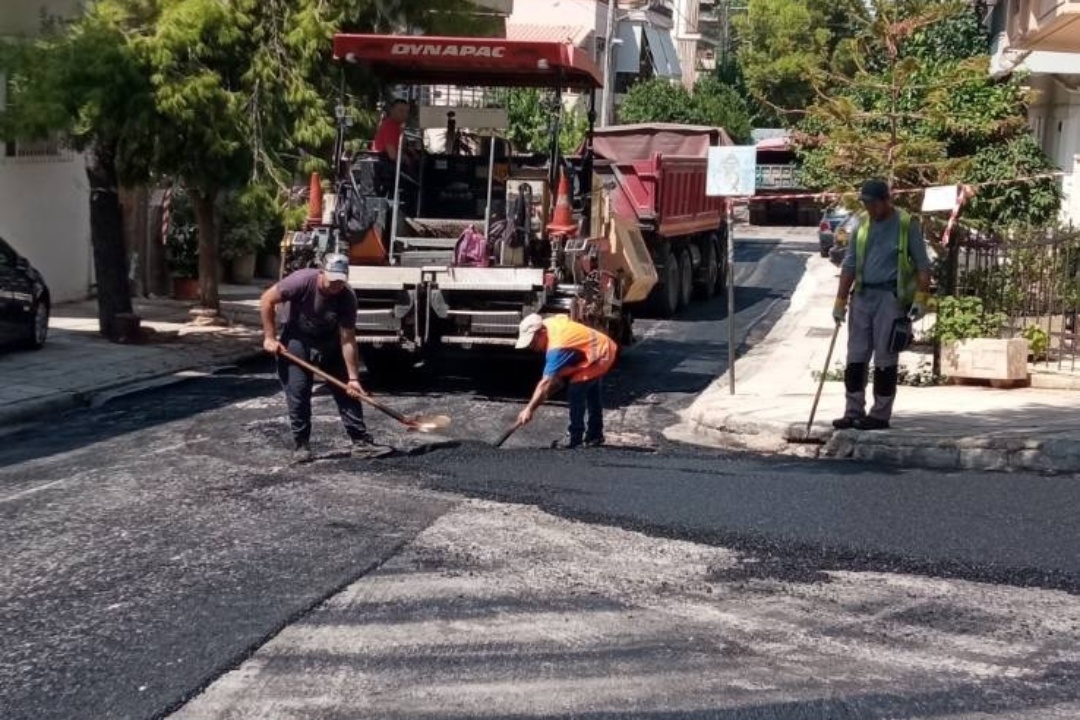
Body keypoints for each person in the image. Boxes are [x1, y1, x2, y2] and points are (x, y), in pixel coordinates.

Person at [260, 254, 392, 462]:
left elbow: (348, 339)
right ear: (322, 273)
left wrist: (354, 378)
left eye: (341, 281)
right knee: (298, 392)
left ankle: (361, 443)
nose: (336, 286)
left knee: (347, 391)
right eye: (332, 280)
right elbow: (267, 299)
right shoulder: (301, 281)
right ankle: (301, 445)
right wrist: (269, 338)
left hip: (330, 341)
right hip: (297, 339)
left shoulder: (347, 297)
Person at [832, 179, 933, 431]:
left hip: (890, 298)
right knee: (855, 356)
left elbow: (922, 265)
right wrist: (840, 300)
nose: (869, 209)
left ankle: (880, 414)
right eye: (865, 204)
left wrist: (921, 298)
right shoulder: (863, 225)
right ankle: (852, 411)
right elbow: (850, 265)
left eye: (873, 204)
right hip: (863, 297)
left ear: (886, 200)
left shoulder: (906, 224)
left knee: (885, 358)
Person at [513, 313, 619, 448]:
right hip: (596, 347)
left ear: (541, 332)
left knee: (576, 389)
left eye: (532, 342)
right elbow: (556, 380)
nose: (532, 347)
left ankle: (575, 438)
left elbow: (545, 383)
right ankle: (595, 435)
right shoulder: (548, 324)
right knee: (591, 390)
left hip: (601, 354)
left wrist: (529, 409)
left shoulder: (557, 347)